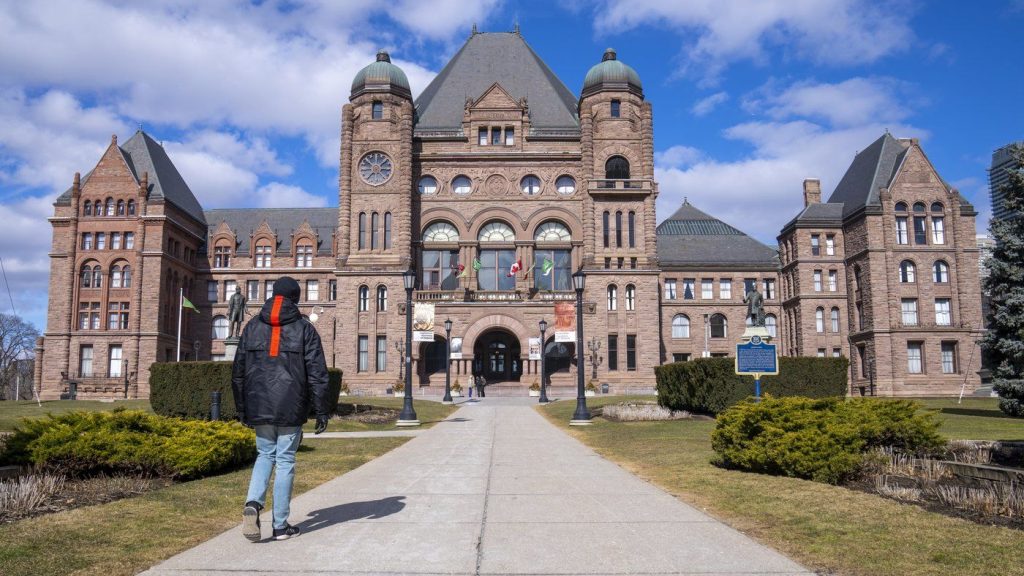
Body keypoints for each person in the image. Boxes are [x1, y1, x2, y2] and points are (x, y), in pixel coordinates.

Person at [232, 276, 330, 542]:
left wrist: (242, 408)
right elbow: (318, 373)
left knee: (265, 455)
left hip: (259, 402)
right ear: (295, 299)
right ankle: (280, 525)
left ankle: (253, 504)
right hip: (291, 404)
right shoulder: (304, 328)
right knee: (285, 460)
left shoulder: (251, 326)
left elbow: (238, 372)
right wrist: (322, 410)